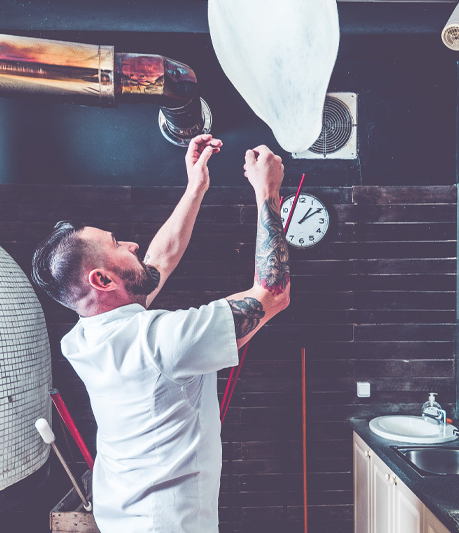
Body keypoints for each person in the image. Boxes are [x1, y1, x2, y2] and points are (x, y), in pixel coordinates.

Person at [30, 134, 291, 532]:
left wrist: (196, 186)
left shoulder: (84, 338)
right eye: (117, 244)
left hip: (119, 516)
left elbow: (157, 262)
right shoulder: (161, 341)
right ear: (101, 279)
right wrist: (267, 191)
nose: (134, 245)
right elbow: (273, 293)